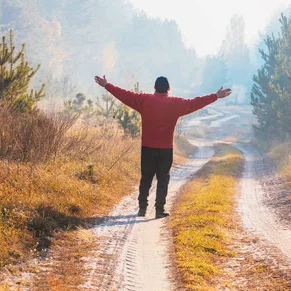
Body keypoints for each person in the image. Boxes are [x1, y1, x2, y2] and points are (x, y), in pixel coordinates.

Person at [94, 75, 231, 218]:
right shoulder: (176, 103)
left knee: (146, 178)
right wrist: (215, 95)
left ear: (154, 88)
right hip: (166, 149)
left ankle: (142, 208)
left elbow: (125, 95)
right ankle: (159, 210)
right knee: (163, 179)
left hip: (147, 147)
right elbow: (195, 102)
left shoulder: (144, 100)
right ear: (169, 89)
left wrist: (107, 85)